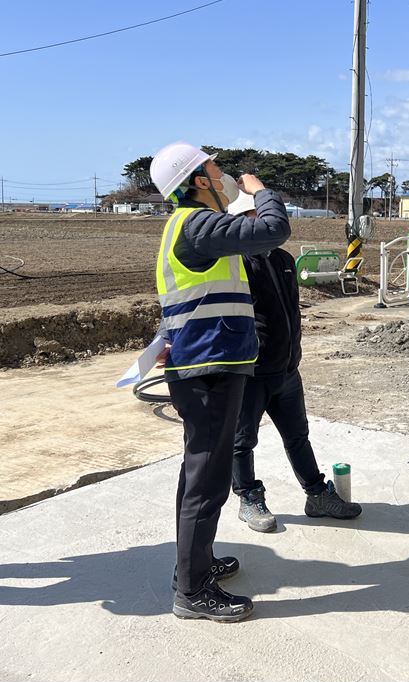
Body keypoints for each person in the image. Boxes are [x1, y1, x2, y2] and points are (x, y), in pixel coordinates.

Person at [149, 142, 291, 622]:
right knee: (207, 480)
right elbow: (272, 229)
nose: (225, 172)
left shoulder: (186, 228)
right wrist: (262, 191)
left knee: (199, 473)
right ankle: (192, 592)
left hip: (206, 362)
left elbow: (184, 302)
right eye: (215, 166)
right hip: (210, 368)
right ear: (199, 180)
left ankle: (197, 565)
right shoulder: (197, 223)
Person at [225, 192, 363, 532]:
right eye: (251, 216)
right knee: (242, 441)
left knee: (298, 436)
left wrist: (292, 356)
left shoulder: (284, 260)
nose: (259, 222)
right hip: (251, 373)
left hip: (287, 370)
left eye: (261, 215)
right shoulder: (233, 264)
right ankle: (248, 497)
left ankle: (316, 495)